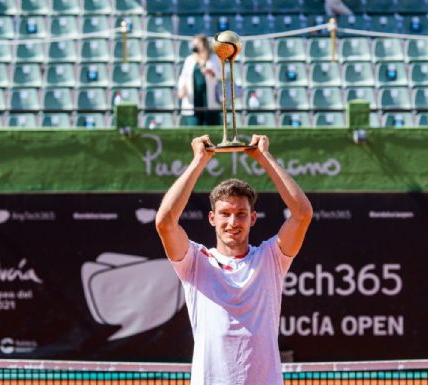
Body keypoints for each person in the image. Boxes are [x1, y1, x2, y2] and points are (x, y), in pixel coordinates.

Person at [155, 135, 313, 385]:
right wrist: (199, 160)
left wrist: (263, 157)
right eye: (225, 214)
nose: (232, 222)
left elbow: (302, 214)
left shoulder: (270, 258)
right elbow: (164, 223)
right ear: (212, 218)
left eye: (241, 214)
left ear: (252, 218)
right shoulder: (195, 261)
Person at [178, 35, 222, 126]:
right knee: (194, 130)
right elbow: (183, 77)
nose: (195, 46)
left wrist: (213, 73)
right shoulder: (189, 60)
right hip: (193, 101)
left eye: (197, 43)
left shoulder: (214, 58)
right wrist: (181, 88)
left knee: (211, 130)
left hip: (210, 101)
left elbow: (223, 75)